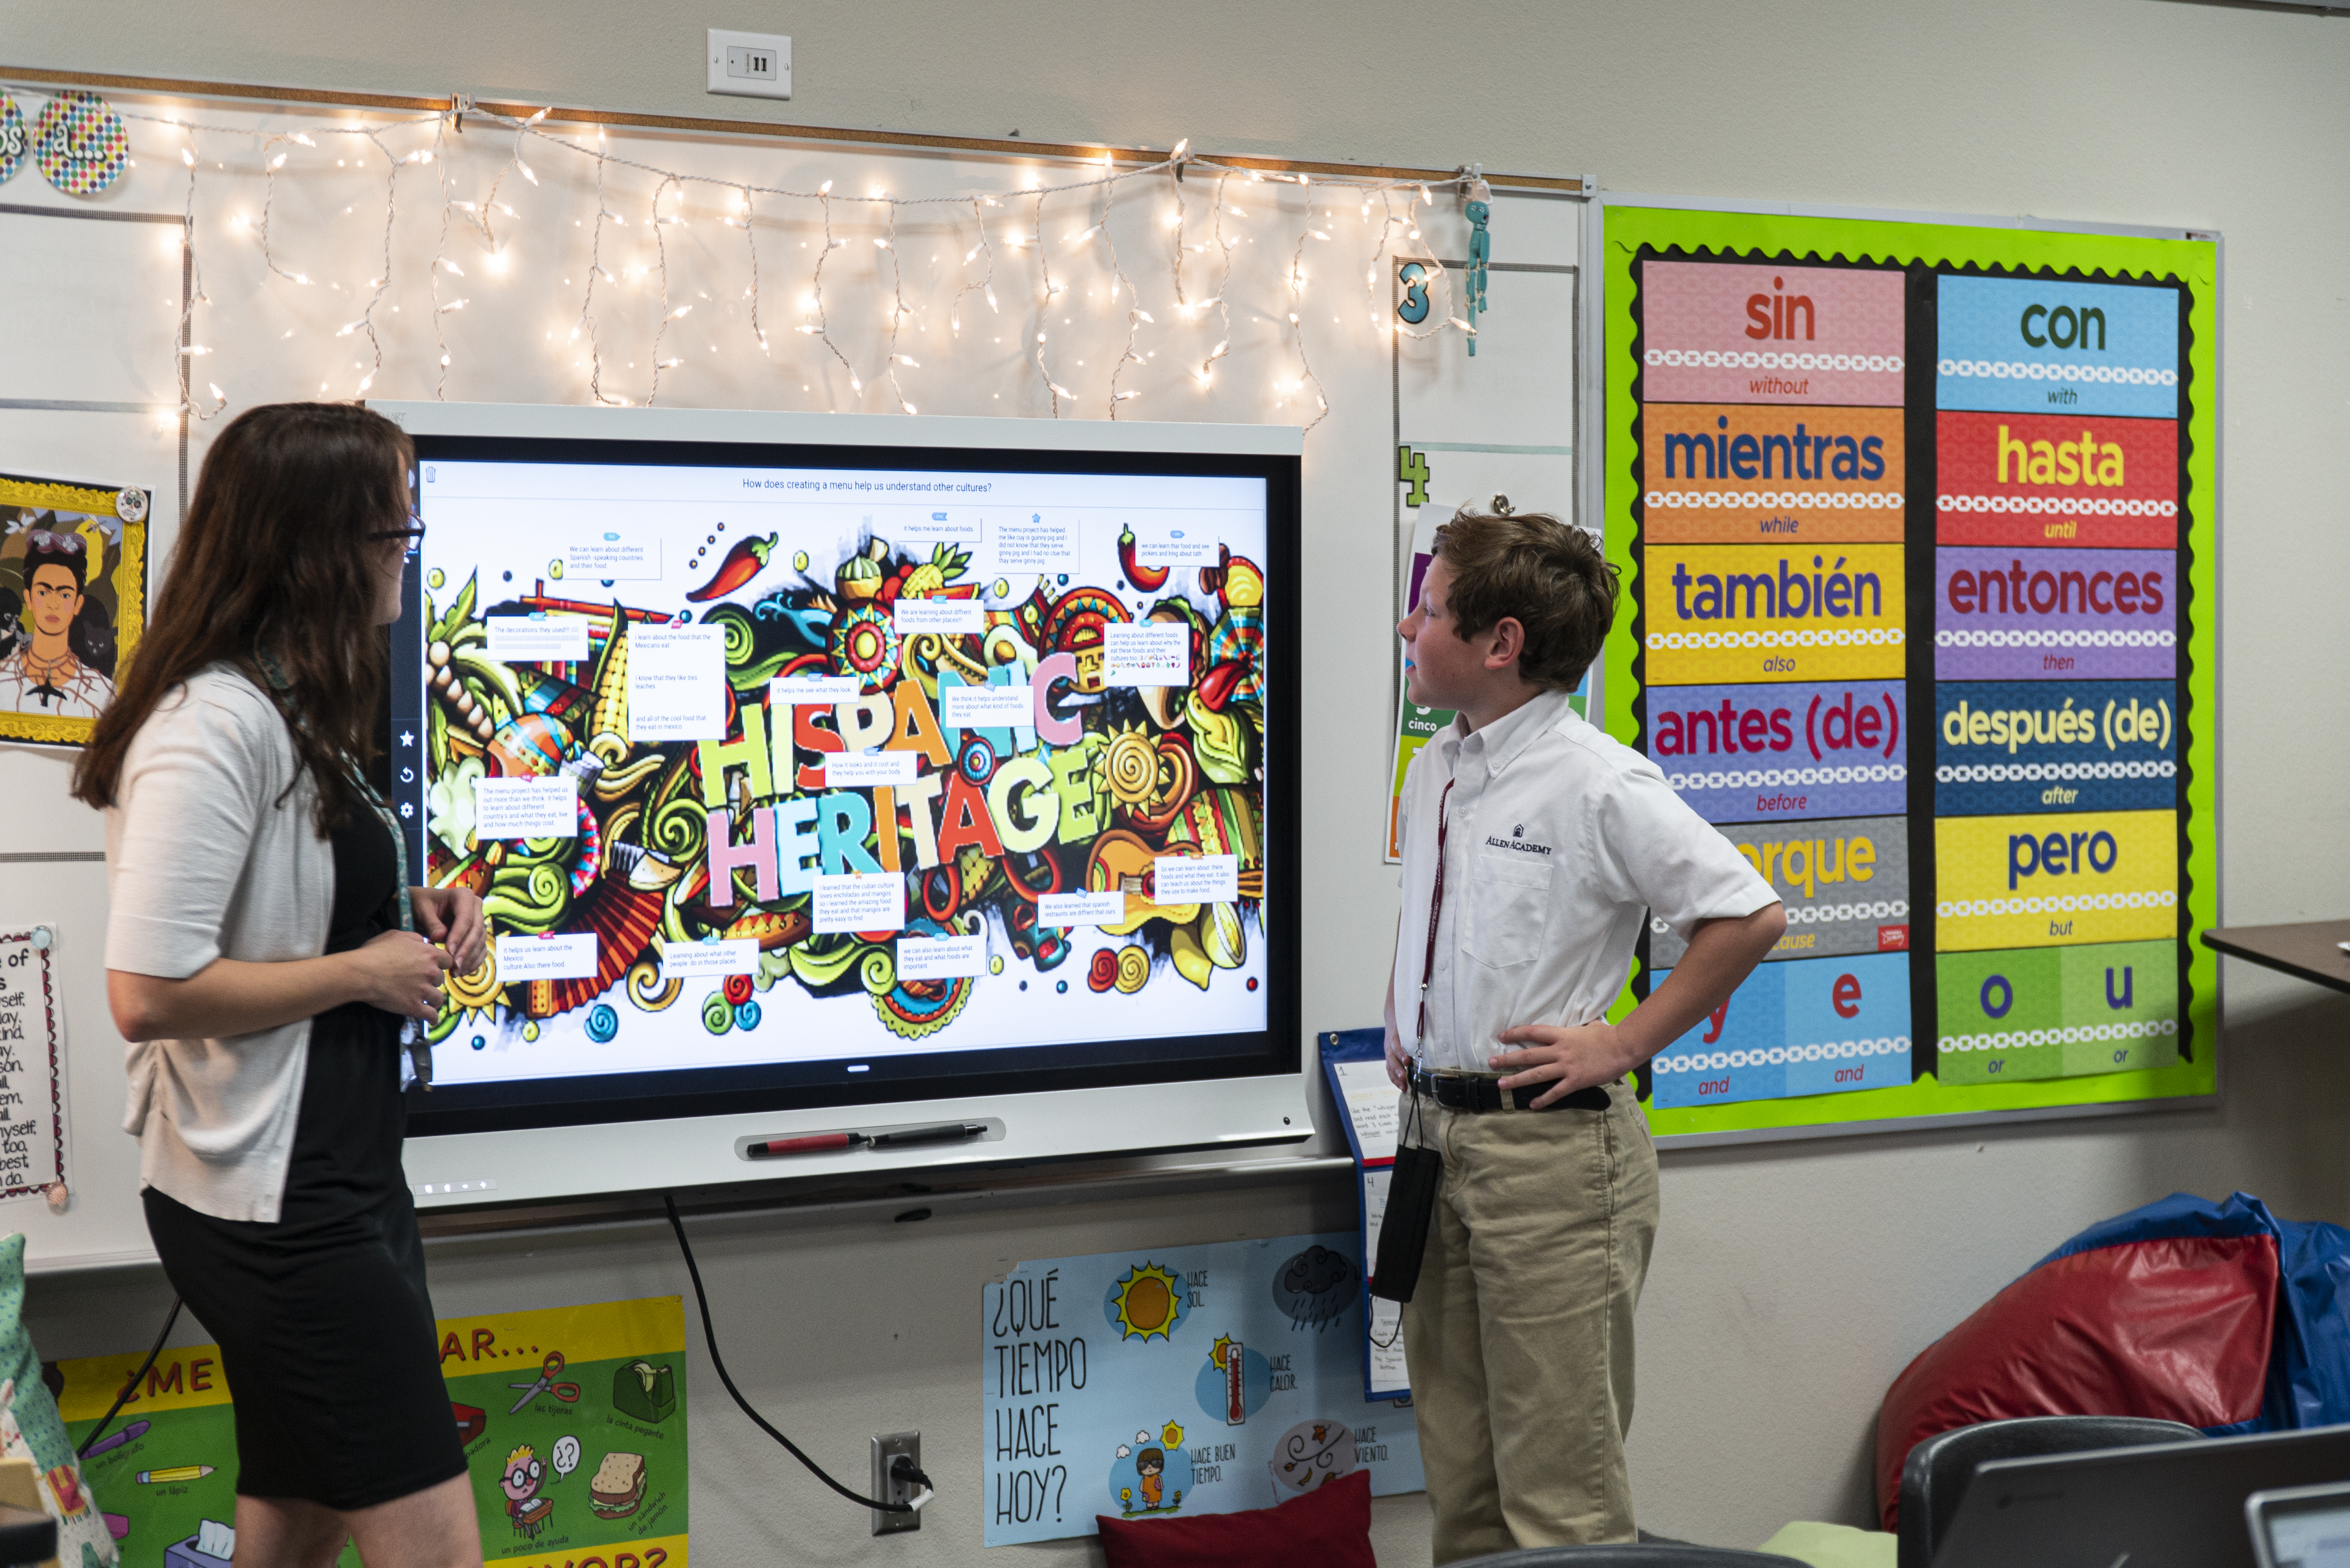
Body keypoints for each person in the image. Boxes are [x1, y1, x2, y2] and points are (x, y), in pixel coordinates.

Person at [72, 403, 486, 1568]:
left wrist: (408, 912)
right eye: (389, 528)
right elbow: (148, 991)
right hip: (272, 1206)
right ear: (314, 546)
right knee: (438, 1547)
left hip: (342, 1175)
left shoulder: (294, 703)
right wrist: (361, 969)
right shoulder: (209, 723)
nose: (406, 547)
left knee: (296, 1518)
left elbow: (283, 900)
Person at [1384, 506, 1785, 1560]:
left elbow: (1748, 912)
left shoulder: (1597, 778)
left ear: (1499, 642)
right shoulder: (1437, 766)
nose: (1406, 627)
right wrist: (1413, 1026)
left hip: (1547, 1157)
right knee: (1464, 1489)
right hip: (1436, 1140)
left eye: (1427, 610)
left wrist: (1619, 1043)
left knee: (1558, 1502)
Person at [0, 525, 117, 718]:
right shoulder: (3, 678)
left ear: (78, 604)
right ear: (28, 599)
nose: (53, 604)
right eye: (43, 593)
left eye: (64, 595)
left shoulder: (103, 694)